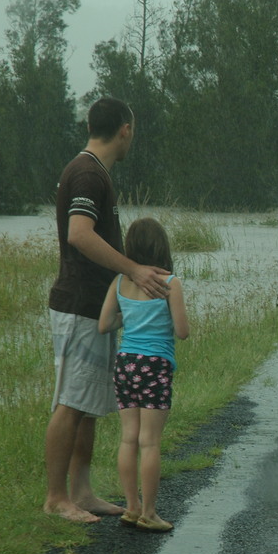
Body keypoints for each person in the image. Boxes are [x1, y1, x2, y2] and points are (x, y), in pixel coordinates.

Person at [43, 97, 171, 524]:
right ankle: (56, 497)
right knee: (70, 401)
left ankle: (82, 491)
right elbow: (79, 235)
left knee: (88, 402)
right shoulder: (86, 174)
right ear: (125, 129)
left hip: (93, 305)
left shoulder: (95, 173)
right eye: (132, 129)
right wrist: (133, 268)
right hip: (78, 304)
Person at [99, 217, 190, 533]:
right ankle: (150, 513)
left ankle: (132, 507)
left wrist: (132, 319)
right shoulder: (170, 283)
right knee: (150, 442)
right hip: (155, 365)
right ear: (162, 246)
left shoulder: (120, 281)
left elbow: (105, 324)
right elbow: (182, 331)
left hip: (126, 363)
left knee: (128, 438)